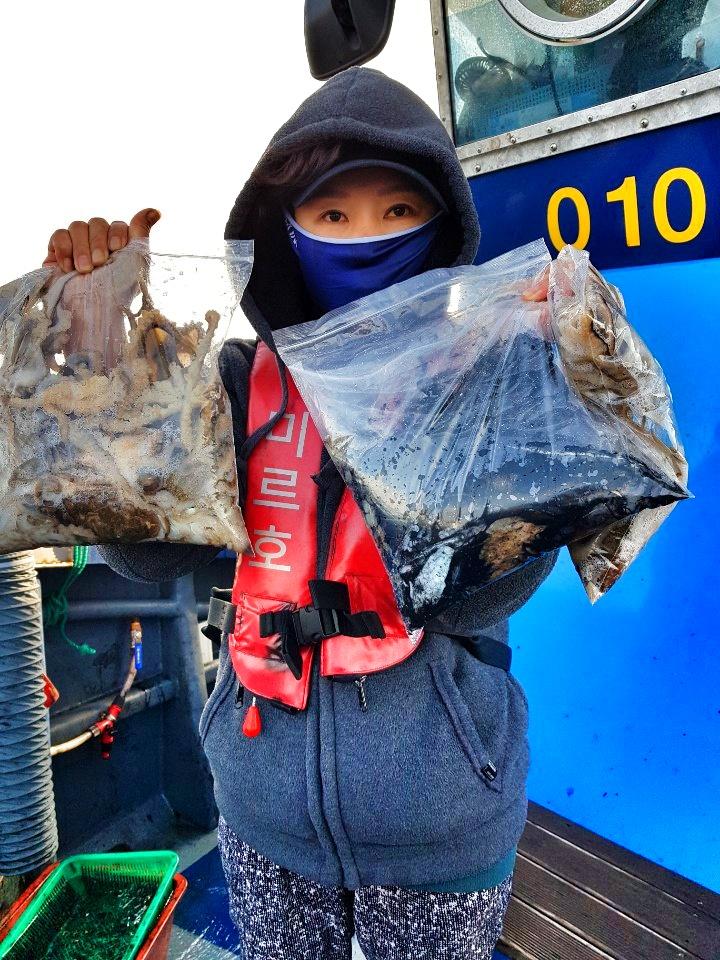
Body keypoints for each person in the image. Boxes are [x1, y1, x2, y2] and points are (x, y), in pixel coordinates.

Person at [44, 67, 556, 960]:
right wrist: (98, 360)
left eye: (399, 210)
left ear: (444, 228)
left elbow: (480, 600)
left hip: (444, 824)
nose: (366, 235)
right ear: (283, 232)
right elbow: (149, 562)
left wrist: (534, 393)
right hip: (263, 810)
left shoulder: (475, 375)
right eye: (331, 214)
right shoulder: (237, 386)